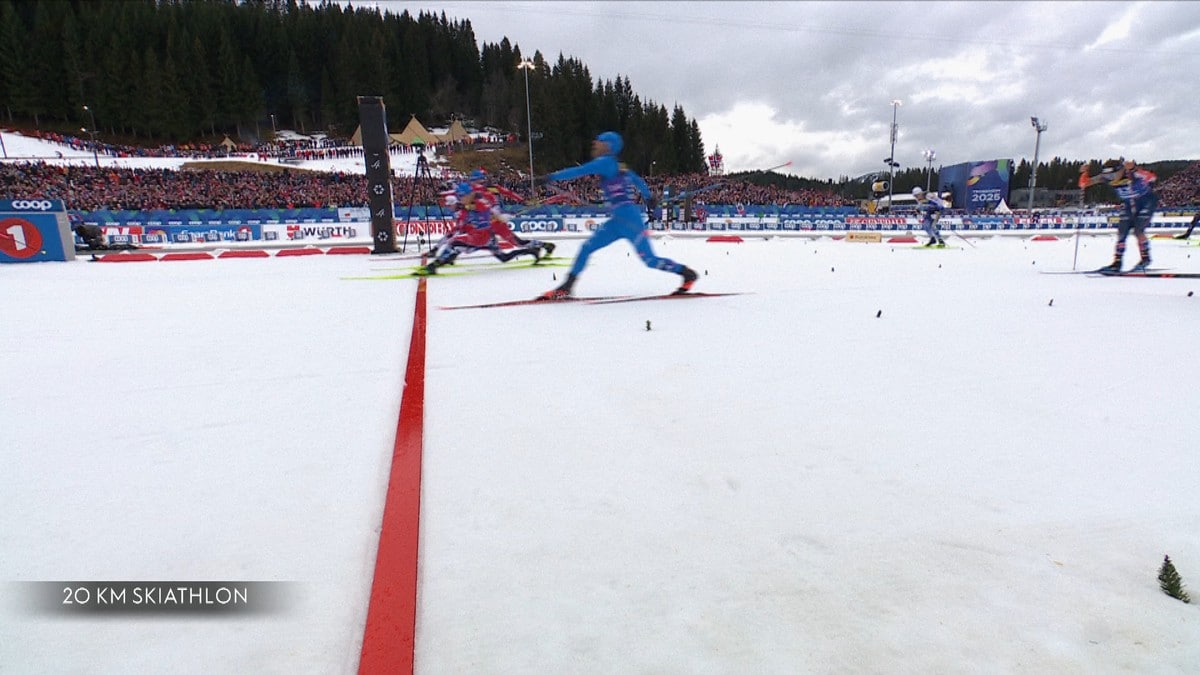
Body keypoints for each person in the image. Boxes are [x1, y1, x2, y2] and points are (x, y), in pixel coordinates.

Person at [537, 131, 697, 300]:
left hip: (629, 220)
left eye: (598, 142)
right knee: (587, 247)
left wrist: (549, 178)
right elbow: (638, 181)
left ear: (608, 145)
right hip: (618, 221)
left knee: (650, 260)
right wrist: (649, 198)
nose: (594, 144)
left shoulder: (606, 162)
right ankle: (566, 287)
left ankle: (687, 274)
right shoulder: (620, 166)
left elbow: (580, 171)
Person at [414, 182, 542, 275]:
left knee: (454, 243)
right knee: (503, 258)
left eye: (462, 197)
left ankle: (433, 266)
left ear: (469, 194)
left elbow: (488, 209)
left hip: (479, 237)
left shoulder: (479, 202)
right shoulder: (468, 200)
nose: (461, 200)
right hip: (488, 237)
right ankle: (532, 251)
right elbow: (462, 202)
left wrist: (501, 216)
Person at [1082, 159, 1157, 273]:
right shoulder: (1105, 177)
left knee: (1138, 230)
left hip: (1146, 202)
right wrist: (1085, 172)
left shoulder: (1132, 174)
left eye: (1113, 174)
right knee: (1122, 232)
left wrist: (1133, 169)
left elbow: (1152, 177)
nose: (1111, 177)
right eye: (1108, 175)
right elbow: (1084, 184)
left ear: (1121, 170)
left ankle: (1145, 259)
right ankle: (1117, 262)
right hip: (1128, 204)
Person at [467, 169, 555, 258]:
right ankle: (540, 247)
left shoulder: (483, 190)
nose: (472, 183)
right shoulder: (487, 189)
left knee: (516, 243)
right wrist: (522, 201)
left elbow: (507, 193)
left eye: (474, 181)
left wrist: (522, 201)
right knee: (515, 243)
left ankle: (541, 247)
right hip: (492, 222)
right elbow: (508, 193)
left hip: (494, 222)